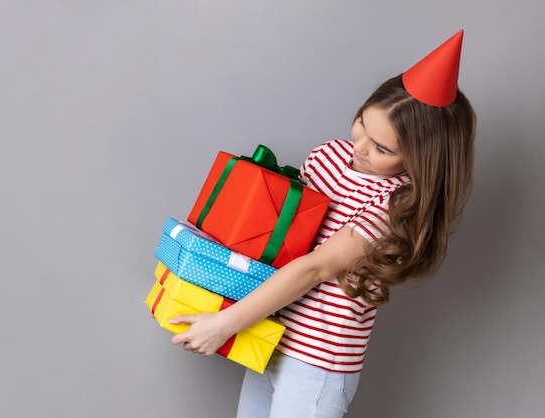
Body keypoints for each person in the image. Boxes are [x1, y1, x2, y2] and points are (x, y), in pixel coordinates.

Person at [169, 30, 476, 418]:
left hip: (317, 365)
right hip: (269, 336)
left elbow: (314, 267)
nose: (361, 147)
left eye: (382, 149)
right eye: (362, 124)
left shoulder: (397, 205)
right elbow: (285, 237)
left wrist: (224, 324)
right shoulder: (327, 156)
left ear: (421, 157)